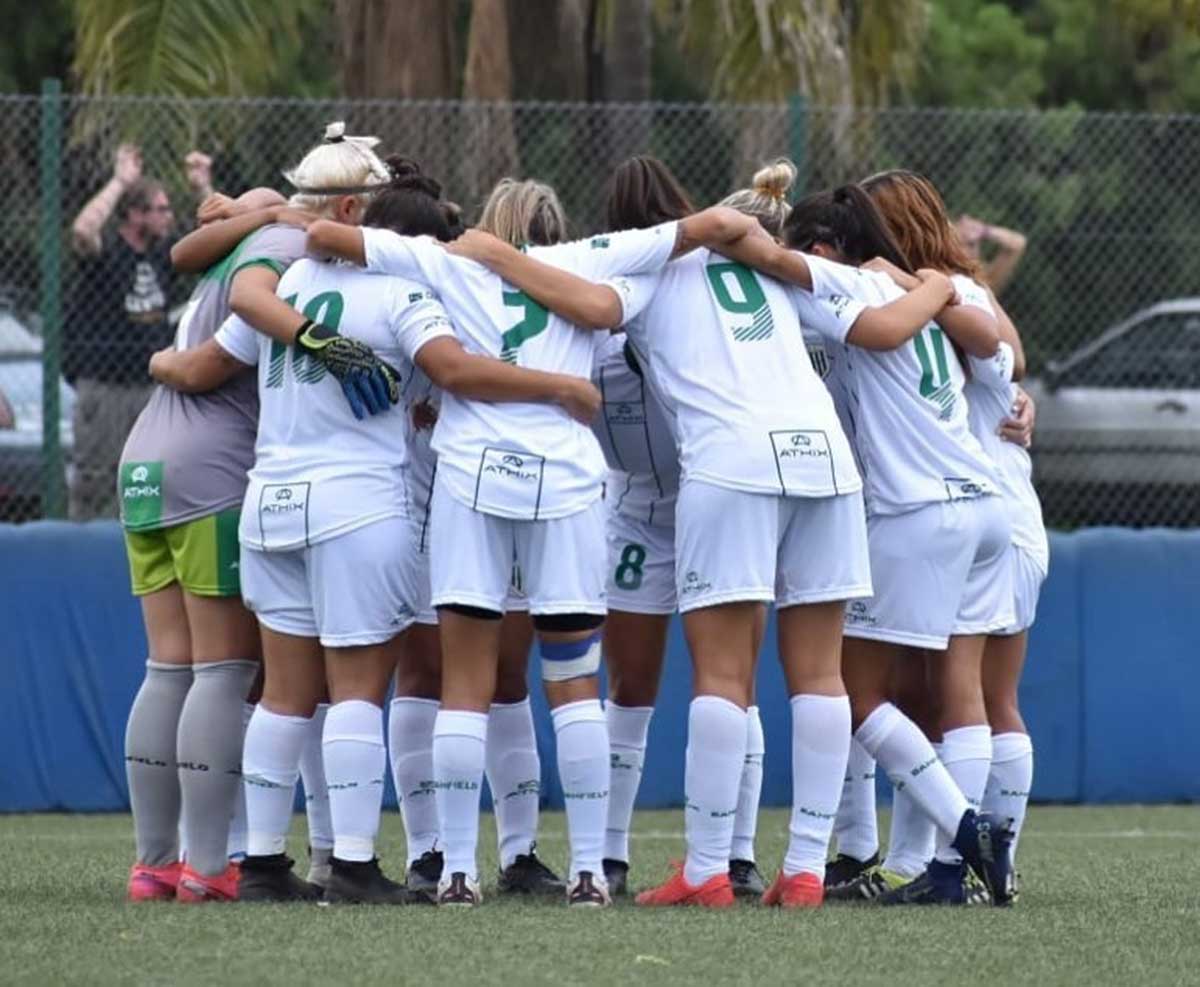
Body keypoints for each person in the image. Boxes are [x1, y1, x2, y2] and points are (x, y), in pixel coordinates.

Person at [151, 170, 600, 905]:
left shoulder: (290, 279)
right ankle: (353, 864)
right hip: (355, 505)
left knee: (287, 695)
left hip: (273, 499)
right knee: (358, 690)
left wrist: (159, 357)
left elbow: (211, 354)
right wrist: (556, 386)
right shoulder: (402, 291)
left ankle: (262, 862)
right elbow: (452, 368)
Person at [307, 194, 757, 907]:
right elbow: (707, 228)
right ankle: (587, 871)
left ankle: (456, 871)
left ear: (488, 223)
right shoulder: (593, 256)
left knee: (465, 682)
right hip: (567, 484)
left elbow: (328, 233)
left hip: (470, 479)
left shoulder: (446, 262)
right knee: (575, 682)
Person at [714, 182, 1017, 907]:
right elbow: (1003, 352)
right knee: (950, 690)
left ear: (822, 248)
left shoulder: (849, 282)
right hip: (986, 505)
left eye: (802, 248)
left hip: (918, 510)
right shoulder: (934, 288)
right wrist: (939, 283)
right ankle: (941, 862)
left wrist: (724, 229)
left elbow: (779, 264)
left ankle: (966, 832)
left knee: (848, 689)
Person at [597, 159, 798, 899]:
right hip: (649, 506)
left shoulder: (687, 283)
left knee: (656, 687)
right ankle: (627, 854)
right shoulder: (622, 290)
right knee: (714, 683)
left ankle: (716, 855)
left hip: (714, 490)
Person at [390, 179, 574, 903]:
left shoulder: (475, 285)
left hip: (476, 492)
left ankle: (468, 850)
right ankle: (464, 849)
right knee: (469, 674)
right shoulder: (542, 287)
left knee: (463, 675)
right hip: (480, 490)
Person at [67, 142, 212, 519]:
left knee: (149, 478)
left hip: (151, 384)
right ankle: (86, 554)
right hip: (105, 387)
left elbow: (222, 236)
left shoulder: (164, 252)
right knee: (97, 480)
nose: (169, 217)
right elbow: (83, 230)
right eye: (160, 210)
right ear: (134, 215)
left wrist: (203, 187)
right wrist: (119, 181)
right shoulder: (108, 250)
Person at [954, 214, 1027, 296]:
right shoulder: (941, 272)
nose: (972, 251)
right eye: (966, 243)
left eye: (972, 244)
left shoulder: (982, 281)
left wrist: (985, 231)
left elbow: (1018, 243)